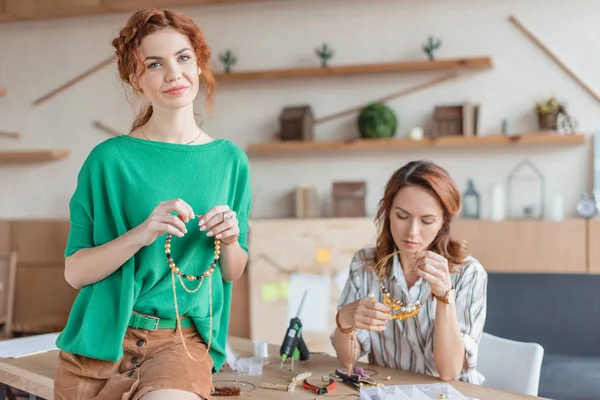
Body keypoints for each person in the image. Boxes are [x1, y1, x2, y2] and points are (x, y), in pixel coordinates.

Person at [53, 8, 252, 400]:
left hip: (180, 341)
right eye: (155, 64)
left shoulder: (231, 160)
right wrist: (142, 234)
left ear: (199, 65)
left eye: (182, 58)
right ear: (135, 78)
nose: (173, 74)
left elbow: (233, 271)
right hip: (101, 338)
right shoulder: (108, 160)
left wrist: (230, 240)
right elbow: (75, 272)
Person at [331, 160, 487, 384]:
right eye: (402, 216)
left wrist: (444, 296)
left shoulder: (468, 273)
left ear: (443, 221)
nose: (412, 232)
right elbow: (348, 359)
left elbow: (449, 372)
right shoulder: (365, 264)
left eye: (427, 221)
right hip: (388, 391)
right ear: (387, 213)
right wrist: (344, 321)